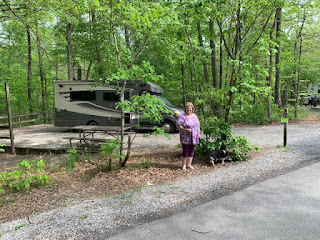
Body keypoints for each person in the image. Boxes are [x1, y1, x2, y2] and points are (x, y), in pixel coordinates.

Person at [176, 102, 201, 170]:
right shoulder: (182, 116)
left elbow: (198, 125)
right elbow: (178, 125)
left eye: (190, 109)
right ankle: (183, 165)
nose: (189, 110)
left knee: (191, 150)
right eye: (187, 109)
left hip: (194, 136)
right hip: (185, 137)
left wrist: (198, 133)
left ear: (192, 109)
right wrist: (184, 129)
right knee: (185, 150)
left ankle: (189, 164)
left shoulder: (195, 116)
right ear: (185, 109)